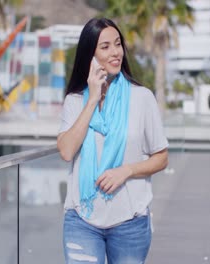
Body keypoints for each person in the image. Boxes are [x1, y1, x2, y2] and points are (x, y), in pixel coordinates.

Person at [57, 17, 169, 264]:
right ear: (90, 55)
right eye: (105, 47)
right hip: (81, 220)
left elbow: (161, 157)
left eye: (117, 44)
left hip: (130, 222)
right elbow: (66, 151)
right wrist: (92, 99)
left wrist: (126, 171)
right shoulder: (75, 102)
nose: (115, 52)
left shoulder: (142, 98)